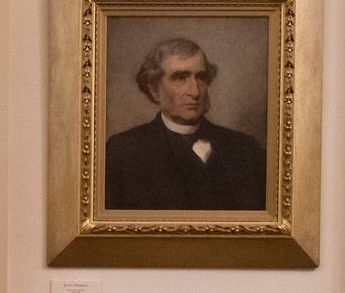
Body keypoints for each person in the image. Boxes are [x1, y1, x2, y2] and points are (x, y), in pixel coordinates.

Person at [104, 37, 266, 211]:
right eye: (180, 78)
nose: (195, 92)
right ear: (154, 89)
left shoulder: (246, 148)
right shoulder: (122, 151)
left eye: (201, 78)